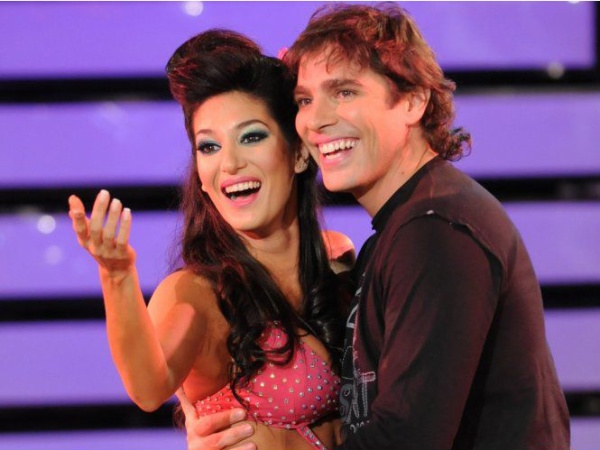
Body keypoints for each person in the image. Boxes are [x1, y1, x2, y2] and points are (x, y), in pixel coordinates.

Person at [180, 4, 571, 450]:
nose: (316, 120)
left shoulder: (436, 231)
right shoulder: (400, 233)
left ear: (413, 101)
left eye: (344, 92)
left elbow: (406, 439)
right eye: (305, 100)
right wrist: (233, 424)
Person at [68, 29, 355, 450]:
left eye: (251, 136)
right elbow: (148, 388)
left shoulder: (339, 257)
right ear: (201, 178)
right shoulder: (197, 295)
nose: (230, 163)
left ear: (297, 153)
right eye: (209, 147)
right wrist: (117, 276)